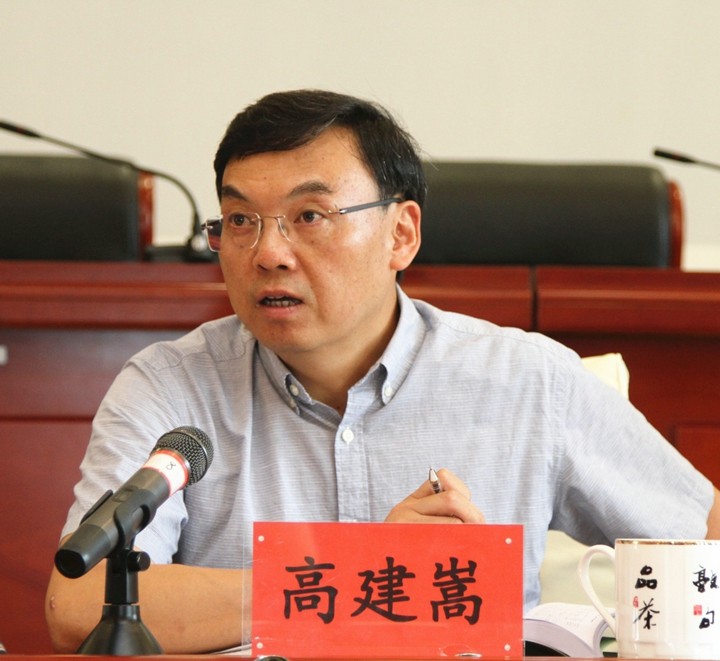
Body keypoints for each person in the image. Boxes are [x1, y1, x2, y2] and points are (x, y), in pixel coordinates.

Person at [45, 89, 720, 653]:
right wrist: (365, 568)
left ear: (401, 234)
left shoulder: (530, 380)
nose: (268, 252)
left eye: (309, 216)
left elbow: (703, 537)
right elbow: (79, 603)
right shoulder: (171, 385)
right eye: (241, 219)